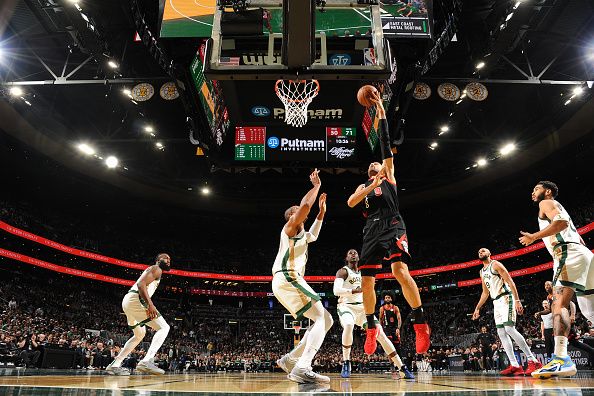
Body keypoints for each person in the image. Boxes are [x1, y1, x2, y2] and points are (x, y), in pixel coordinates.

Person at [347, 90, 430, 356]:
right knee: (367, 281)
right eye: (371, 166)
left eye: (377, 165)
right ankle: (371, 326)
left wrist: (381, 113)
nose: (375, 164)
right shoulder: (364, 186)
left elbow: (383, 144)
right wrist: (370, 184)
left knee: (399, 272)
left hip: (394, 223)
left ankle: (419, 322)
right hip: (371, 228)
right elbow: (350, 203)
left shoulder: (389, 176)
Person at [519, 181, 594, 378]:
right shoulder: (558, 206)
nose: (533, 191)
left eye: (536, 188)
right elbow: (577, 236)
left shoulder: (546, 203)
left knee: (558, 304)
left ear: (548, 191)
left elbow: (561, 223)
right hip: (582, 254)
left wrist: (534, 237)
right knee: (590, 311)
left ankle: (561, 359)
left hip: (567, 253)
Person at [273, 169, 333, 384]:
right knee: (321, 318)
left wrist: (321, 213)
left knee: (325, 320)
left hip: (287, 281)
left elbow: (314, 235)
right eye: (299, 212)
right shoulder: (289, 228)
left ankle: (291, 360)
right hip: (288, 277)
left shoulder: (301, 235)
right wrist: (316, 186)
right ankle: (302, 367)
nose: (303, 213)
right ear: (292, 216)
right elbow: (306, 206)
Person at [333, 249, 414, 379]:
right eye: (350, 253)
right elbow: (336, 290)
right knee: (348, 325)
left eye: (355, 253)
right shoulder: (343, 271)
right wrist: (356, 290)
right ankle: (346, 362)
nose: (353, 254)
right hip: (346, 307)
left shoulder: (364, 273)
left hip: (364, 309)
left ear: (359, 257)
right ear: (346, 258)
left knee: (381, 335)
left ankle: (401, 367)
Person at [472, 248, 542, 376]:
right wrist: (477, 308)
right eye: (479, 252)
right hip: (495, 302)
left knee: (509, 329)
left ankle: (533, 360)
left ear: (489, 253)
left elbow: (510, 281)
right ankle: (515, 365)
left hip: (506, 297)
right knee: (501, 332)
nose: (480, 252)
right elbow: (485, 292)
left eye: (483, 251)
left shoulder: (496, 264)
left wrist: (517, 300)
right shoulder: (481, 271)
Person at [106, 253, 172, 375]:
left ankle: (115, 365)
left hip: (128, 302)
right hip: (136, 300)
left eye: (170, 259)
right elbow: (141, 284)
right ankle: (147, 360)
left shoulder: (154, 270)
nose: (168, 260)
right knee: (164, 327)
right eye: (165, 258)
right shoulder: (156, 268)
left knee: (139, 334)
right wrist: (150, 305)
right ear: (158, 260)